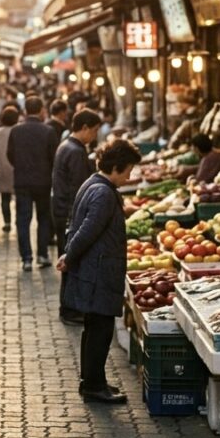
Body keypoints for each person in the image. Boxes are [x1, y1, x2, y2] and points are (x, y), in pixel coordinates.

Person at [57, 139, 143, 404]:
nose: (130, 176)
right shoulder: (104, 193)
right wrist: (69, 257)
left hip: (96, 270)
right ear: (116, 166)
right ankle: (94, 386)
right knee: (100, 331)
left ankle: (93, 381)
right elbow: (87, 230)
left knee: (94, 329)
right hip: (99, 272)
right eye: (128, 169)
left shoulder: (93, 183)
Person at [52, 109, 102, 325]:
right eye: (94, 131)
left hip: (63, 209)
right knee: (71, 261)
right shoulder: (75, 151)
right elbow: (79, 188)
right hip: (69, 212)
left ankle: (69, 307)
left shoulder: (67, 145)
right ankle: (70, 309)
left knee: (69, 259)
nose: (95, 135)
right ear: (84, 128)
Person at [7, 96, 59, 271]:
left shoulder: (16, 131)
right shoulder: (49, 131)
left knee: (23, 220)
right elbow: (54, 158)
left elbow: (10, 155)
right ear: (42, 110)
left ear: (25, 111)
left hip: (22, 181)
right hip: (43, 182)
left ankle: (26, 258)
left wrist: (22, 167)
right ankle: (42, 255)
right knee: (43, 218)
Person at [0, 106, 19, 233]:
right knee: (19, 197)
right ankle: (18, 221)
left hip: (2, 168)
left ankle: (7, 222)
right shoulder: (18, 130)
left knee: (5, 198)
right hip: (16, 167)